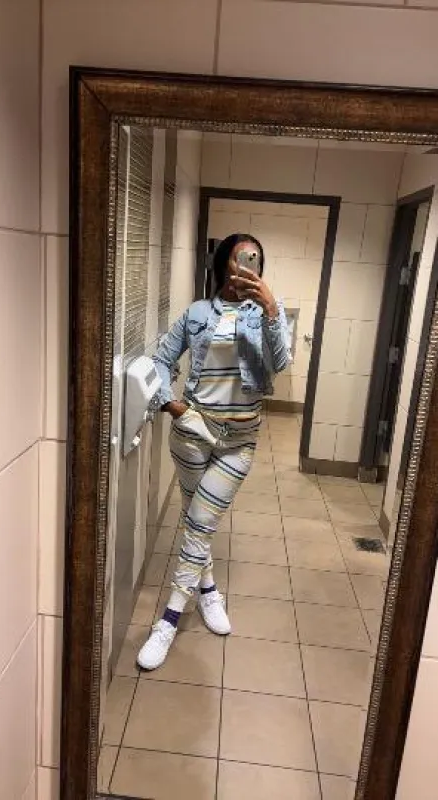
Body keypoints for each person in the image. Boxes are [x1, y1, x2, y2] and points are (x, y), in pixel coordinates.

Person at [137, 233, 292, 670]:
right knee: (197, 522)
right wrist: (169, 404)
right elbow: (162, 359)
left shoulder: (267, 313)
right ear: (224, 263)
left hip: (239, 440)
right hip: (193, 430)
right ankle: (207, 591)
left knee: (200, 520)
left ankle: (168, 620)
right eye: (240, 257)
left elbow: (281, 362)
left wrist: (271, 309)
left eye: (254, 259)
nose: (247, 265)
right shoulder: (197, 313)